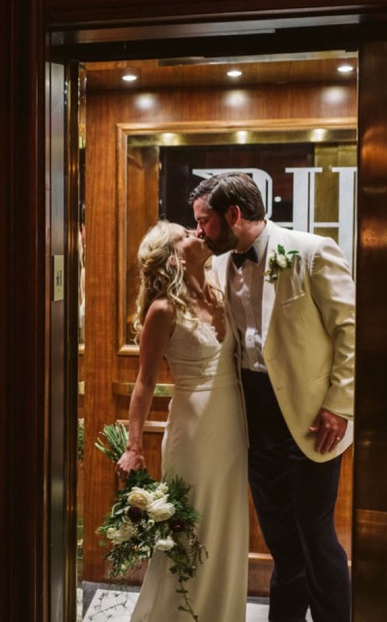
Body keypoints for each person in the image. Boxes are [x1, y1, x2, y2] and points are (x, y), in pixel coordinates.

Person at [189, 171, 355, 622]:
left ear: (235, 214)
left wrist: (339, 405)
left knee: (316, 538)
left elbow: (351, 331)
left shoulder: (311, 251)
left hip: (310, 418)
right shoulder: (221, 264)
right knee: (281, 542)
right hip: (253, 418)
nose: (199, 233)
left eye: (205, 222)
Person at [116, 220, 249, 622]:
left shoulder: (220, 289)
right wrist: (134, 446)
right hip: (192, 432)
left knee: (226, 525)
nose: (197, 233)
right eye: (185, 234)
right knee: (191, 528)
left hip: (232, 424)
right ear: (173, 256)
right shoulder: (163, 309)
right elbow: (145, 382)